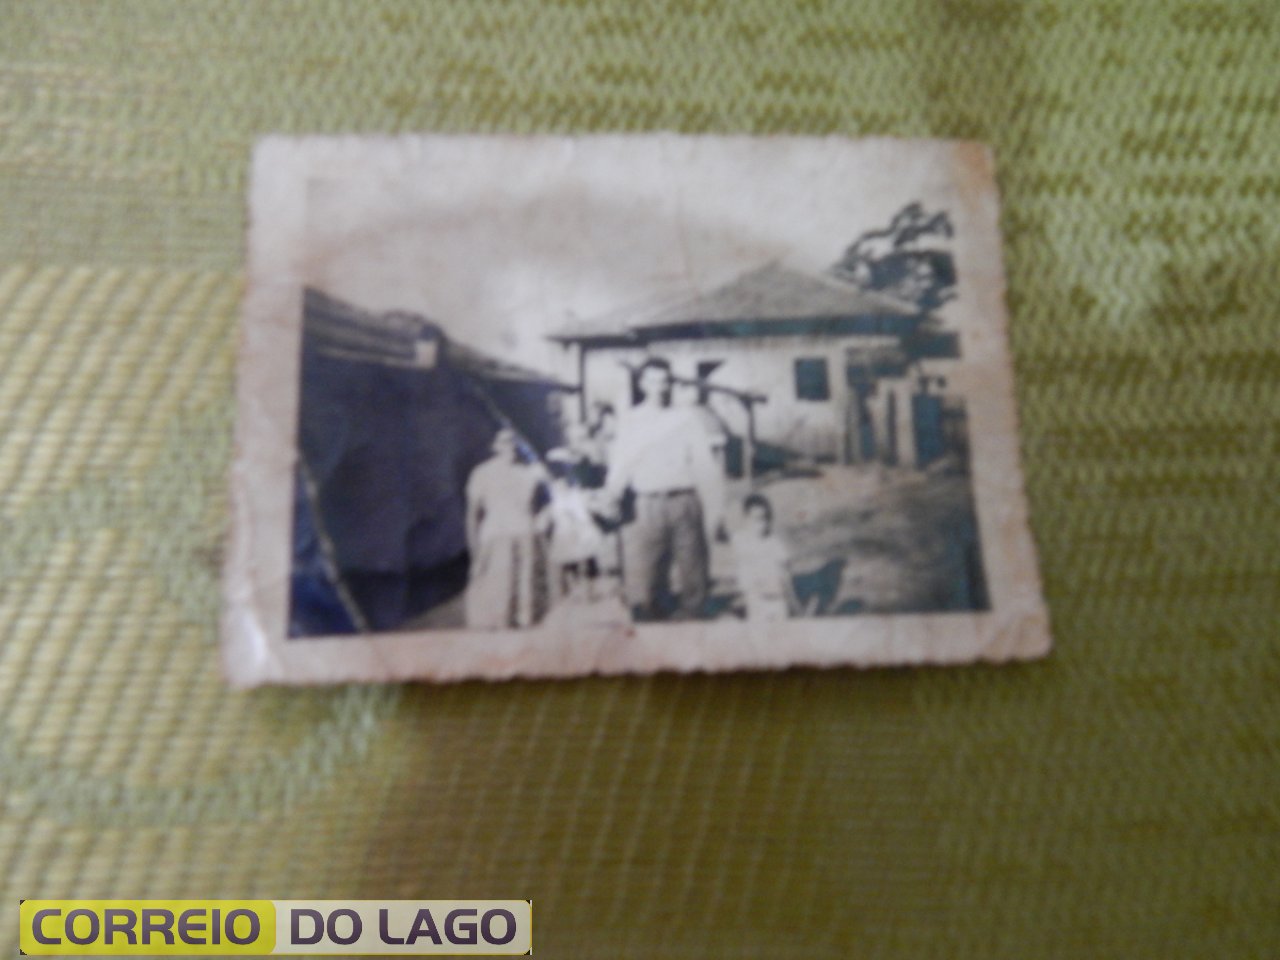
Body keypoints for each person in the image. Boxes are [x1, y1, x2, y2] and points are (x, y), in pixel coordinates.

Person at [603, 357, 725, 621]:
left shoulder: (685, 418)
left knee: (693, 568)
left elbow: (703, 463)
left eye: (665, 381)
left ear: (671, 384)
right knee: (646, 575)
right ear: (643, 384)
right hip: (646, 503)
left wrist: (716, 505)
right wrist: (611, 494)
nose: (661, 387)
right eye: (654, 381)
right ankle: (651, 619)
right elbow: (621, 463)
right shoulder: (632, 420)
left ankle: (694, 620)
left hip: (684, 500)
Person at [463, 428, 550, 629]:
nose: (510, 447)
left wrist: (542, 519)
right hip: (496, 535)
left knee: (527, 594)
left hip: (525, 533)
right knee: (499, 592)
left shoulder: (529, 473)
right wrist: (474, 549)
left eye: (514, 443)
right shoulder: (482, 473)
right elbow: (472, 514)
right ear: (495, 447)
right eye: (505, 442)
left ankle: (526, 633)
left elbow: (549, 500)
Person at [731, 493, 797, 622]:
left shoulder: (774, 542)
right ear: (746, 519)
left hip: (776, 596)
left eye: (765, 518)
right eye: (756, 519)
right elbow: (743, 571)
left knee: (781, 627)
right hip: (755, 596)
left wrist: (784, 573)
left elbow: (785, 565)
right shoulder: (741, 540)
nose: (762, 523)